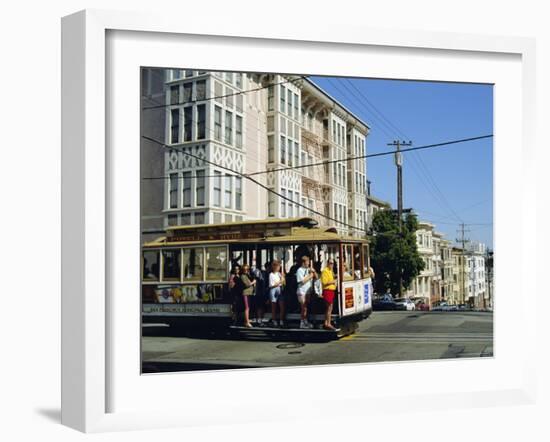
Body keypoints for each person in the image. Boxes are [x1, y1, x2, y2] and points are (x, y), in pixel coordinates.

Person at [296, 255, 316, 329]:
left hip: (308, 291)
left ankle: (305, 321)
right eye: (307, 262)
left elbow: (316, 277)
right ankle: (302, 322)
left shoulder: (309, 269)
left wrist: (314, 272)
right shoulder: (299, 270)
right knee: (303, 307)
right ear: (303, 262)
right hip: (302, 291)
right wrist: (310, 276)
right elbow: (301, 281)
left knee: (306, 307)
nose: (308, 264)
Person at [321, 258, 338, 330]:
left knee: (330, 307)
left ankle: (326, 322)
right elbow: (324, 282)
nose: (332, 265)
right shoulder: (325, 271)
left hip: (331, 290)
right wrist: (333, 281)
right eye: (330, 263)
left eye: (333, 263)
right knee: (329, 307)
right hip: (327, 291)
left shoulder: (331, 271)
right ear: (327, 263)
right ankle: (328, 323)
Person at [268, 260, 286, 327]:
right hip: (273, 290)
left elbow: (283, 283)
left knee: (282, 306)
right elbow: (272, 285)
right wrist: (280, 281)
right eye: (278, 266)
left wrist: (283, 278)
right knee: (274, 306)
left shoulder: (279, 274)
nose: (279, 268)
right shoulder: (271, 274)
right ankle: (274, 320)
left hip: (280, 289)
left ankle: (281, 320)